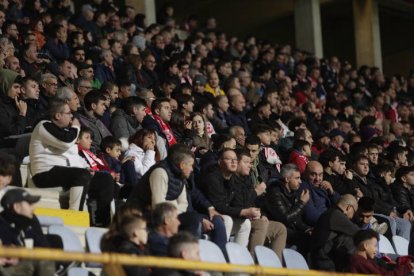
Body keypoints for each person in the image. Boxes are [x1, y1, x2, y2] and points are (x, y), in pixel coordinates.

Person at [29, 99, 90, 211]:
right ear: (58, 115)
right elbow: (65, 142)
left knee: (104, 179)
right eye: (68, 113)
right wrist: (76, 127)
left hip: (63, 172)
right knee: (82, 175)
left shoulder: (64, 130)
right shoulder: (43, 125)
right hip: (45, 174)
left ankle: (101, 223)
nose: (71, 116)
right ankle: (75, 215)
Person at [0, 189, 55, 275]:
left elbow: (44, 247)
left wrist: (19, 256)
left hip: (22, 267)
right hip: (6, 270)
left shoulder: (29, 223)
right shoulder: (2, 224)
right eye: (29, 204)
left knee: (45, 257)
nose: (34, 208)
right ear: (16, 207)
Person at [264, 163, 311, 254]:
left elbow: (296, 219)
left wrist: (307, 229)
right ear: (287, 179)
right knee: (306, 239)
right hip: (278, 229)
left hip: (288, 228)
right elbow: (285, 218)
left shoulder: (293, 192)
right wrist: (301, 203)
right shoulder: (274, 191)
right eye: (297, 178)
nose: (300, 181)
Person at [310, 194, 360, 271]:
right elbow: (359, 232)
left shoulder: (330, 213)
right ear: (348, 207)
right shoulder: (336, 215)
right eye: (353, 212)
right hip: (324, 262)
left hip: (321, 258)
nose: (352, 217)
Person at [348, 229, 414, 275]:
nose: (377, 249)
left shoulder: (364, 261)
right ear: (365, 246)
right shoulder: (359, 262)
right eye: (375, 246)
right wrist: (407, 267)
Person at [302, 161, 340, 226]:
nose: (317, 179)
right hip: (324, 224)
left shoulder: (323, 186)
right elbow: (311, 215)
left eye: (320, 175)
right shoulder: (304, 188)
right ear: (306, 174)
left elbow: (340, 203)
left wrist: (332, 192)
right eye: (313, 175)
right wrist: (331, 221)